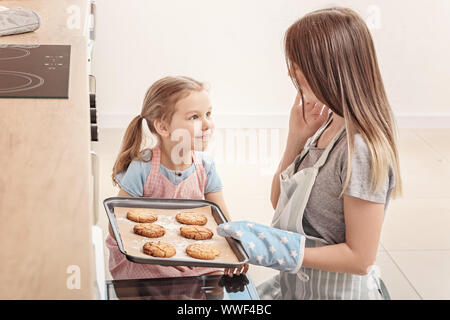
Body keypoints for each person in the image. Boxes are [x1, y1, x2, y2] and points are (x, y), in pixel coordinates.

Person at [218, 7, 402, 300]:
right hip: (301, 289)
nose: (291, 71)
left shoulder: (360, 150)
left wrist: (278, 249)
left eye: (299, 63)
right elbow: (280, 200)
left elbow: (360, 258)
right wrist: (296, 138)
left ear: (328, 67)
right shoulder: (325, 126)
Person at [105, 76, 248, 280]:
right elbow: (116, 226)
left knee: (216, 279)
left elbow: (223, 221)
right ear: (163, 127)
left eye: (208, 114)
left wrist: (236, 251)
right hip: (146, 255)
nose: (207, 124)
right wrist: (165, 256)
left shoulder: (206, 167)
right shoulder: (142, 167)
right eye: (194, 117)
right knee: (160, 278)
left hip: (191, 253)